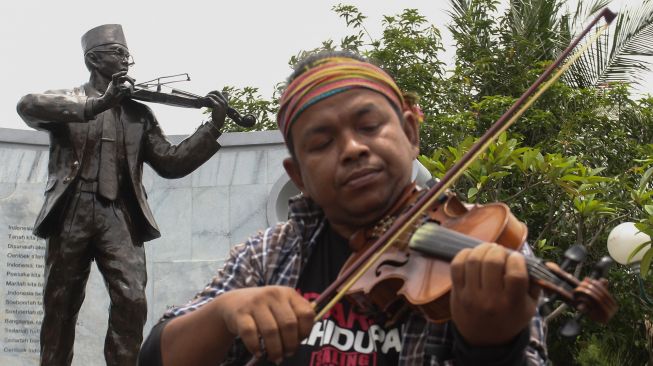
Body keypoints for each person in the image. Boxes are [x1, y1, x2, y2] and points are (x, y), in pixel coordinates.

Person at [138, 51, 547, 365]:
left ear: (409, 132)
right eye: (321, 143)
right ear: (298, 176)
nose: (352, 149)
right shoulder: (269, 255)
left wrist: (491, 347)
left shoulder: (482, 243)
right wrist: (223, 313)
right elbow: (156, 356)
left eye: (369, 127)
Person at [16, 24, 228, 366]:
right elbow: (27, 105)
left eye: (127, 54)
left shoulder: (139, 114)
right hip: (72, 210)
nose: (127, 60)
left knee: (132, 301)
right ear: (94, 59)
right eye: (119, 53)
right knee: (60, 305)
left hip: (120, 215)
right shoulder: (68, 102)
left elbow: (171, 163)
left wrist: (212, 126)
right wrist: (98, 104)